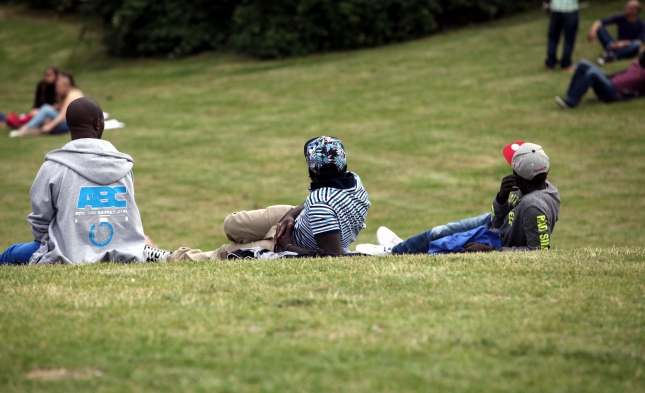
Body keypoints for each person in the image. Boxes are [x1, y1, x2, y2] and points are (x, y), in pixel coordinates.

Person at [0, 97, 162, 265]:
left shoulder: (53, 167)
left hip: (67, 252)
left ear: (68, 125)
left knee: (10, 254)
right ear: (98, 123)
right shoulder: (124, 168)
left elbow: (40, 219)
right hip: (124, 250)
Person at [165, 136, 371, 261]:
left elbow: (332, 257)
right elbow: (322, 202)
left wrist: (287, 245)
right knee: (231, 224)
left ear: (311, 172)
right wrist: (291, 214)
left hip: (286, 245)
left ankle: (168, 257)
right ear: (343, 165)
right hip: (295, 219)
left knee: (223, 253)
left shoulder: (321, 204)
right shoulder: (354, 179)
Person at [356, 142, 561, 255]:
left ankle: (393, 253)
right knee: (441, 232)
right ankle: (400, 248)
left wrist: (491, 251)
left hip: (494, 239)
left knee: (440, 239)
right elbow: (498, 220)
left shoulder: (534, 206)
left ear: (518, 174)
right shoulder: (527, 185)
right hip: (494, 228)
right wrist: (501, 199)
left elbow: (538, 251)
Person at [555, 48, 645, 108]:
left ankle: (571, 102)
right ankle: (570, 96)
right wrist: (606, 75)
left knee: (592, 73)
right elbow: (623, 71)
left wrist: (631, 95)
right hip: (609, 82)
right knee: (583, 63)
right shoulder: (637, 64)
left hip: (613, 92)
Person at [10, 71, 83, 137]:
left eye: (58, 88)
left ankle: (24, 129)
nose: (56, 90)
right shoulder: (73, 92)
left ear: (65, 87)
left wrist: (50, 126)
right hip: (74, 124)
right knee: (46, 114)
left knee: (45, 109)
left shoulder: (71, 96)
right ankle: (27, 129)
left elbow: (62, 116)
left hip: (72, 124)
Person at [588, 0, 645, 65]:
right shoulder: (621, 18)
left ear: (635, 11)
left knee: (636, 44)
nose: (625, 7)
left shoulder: (641, 24)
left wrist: (622, 43)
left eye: (629, 6)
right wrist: (593, 30)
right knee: (600, 28)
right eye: (626, 4)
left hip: (629, 48)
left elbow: (640, 42)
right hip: (615, 46)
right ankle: (611, 51)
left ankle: (611, 56)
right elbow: (600, 21)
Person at [545, 0, 580, 71]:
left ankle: (550, 63)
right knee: (569, 39)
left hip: (555, 9)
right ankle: (566, 64)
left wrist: (547, 5)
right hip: (570, 9)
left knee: (553, 38)